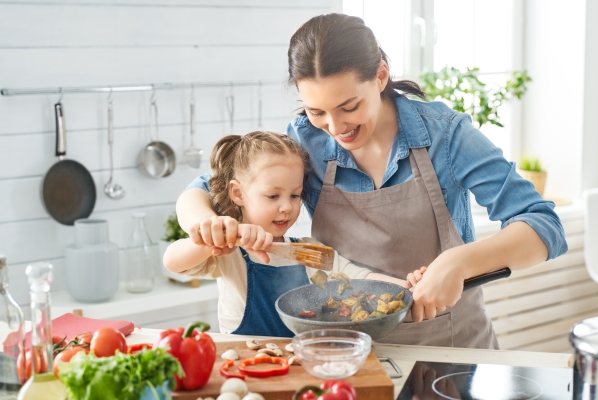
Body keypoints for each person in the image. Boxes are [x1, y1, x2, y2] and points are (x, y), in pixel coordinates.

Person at [176, 14, 568, 348]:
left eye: (349, 107)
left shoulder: (445, 135)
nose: (335, 127)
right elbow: (207, 188)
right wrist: (205, 226)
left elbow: (543, 226)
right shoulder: (305, 139)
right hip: (347, 348)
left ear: (380, 75)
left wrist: (458, 262)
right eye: (317, 112)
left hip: (449, 345)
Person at [163, 131, 406, 337]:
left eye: (294, 195)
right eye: (273, 196)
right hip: (242, 365)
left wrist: (406, 287)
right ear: (238, 193)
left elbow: (355, 276)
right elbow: (173, 262)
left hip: (298, 364)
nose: (287, 207)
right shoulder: (230, 253)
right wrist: (215, 237)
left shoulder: (306, 251)